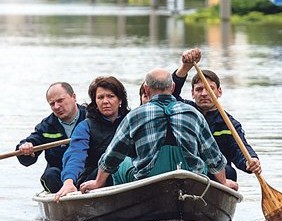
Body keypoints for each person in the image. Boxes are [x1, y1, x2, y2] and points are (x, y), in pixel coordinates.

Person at [78, 69, 238, 194]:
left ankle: (124, 201)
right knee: (201, 162)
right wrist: (223, 183)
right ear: (173, 87)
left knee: (123, 163)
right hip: (190, 177)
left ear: (146, 89)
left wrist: (98, 183)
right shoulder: (193, 113)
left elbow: (112, 156)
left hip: (149, 178)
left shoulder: (135, 116)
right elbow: (213, 156)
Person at [172, 48, 261, 182]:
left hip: (217, 175)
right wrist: (185, 67)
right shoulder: (184, 111)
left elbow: (239, 149)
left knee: (230, 173)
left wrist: (251, 161)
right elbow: (169, 94)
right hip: (187, 170)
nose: (204, 93)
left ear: (219, 92)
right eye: (199, 89)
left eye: (210, 89)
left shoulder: (229, 124)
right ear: (192, 93)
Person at [54, 76, 130, 200]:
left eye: (110, 96)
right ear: (95, 102)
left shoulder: (131, 121)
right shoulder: (85, 126)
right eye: (100, 97)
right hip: (93, 178)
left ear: (120, 100)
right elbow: (75, 155)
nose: (105, 101)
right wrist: (69, 182)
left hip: (126, 174)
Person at [16, 82, 87, 193]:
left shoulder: (91, 117)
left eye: (60, 101)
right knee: (49, 175)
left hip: (88, 172)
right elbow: (28, 153)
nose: (56, 107)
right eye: (52, 104)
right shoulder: (47, 126)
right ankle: (64, 198)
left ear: (74, 97)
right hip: (59, 176)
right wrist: (25, 147)